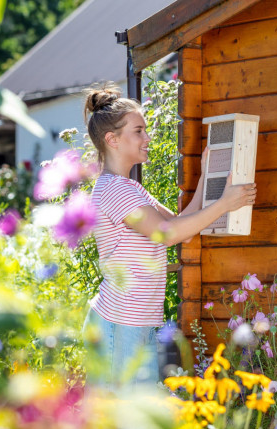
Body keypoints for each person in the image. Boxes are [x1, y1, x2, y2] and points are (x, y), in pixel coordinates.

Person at [82, 84, 257, 387]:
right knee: (126, 427)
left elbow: (182, 227)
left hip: (137, 323)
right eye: (138, 131)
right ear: (112, 140)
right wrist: (225, 203)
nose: (147, 138)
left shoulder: (131, 189)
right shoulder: (114, 190)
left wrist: (205, 177)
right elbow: (167, 234)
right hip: (119, 323)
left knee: (137, 426)